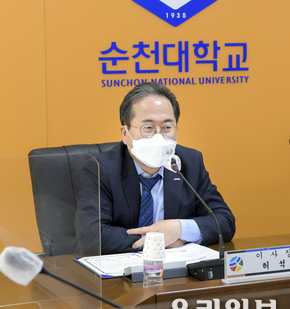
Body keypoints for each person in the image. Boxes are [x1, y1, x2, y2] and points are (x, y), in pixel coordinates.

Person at [75, 82, 236, 255]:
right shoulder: (100, 169)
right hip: (121, 269)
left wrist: (180, 229)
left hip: (177, 268)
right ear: (125, 133)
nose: (158, 136)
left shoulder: (189, 162)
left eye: (167, 128)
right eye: (148, 128)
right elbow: (91, 237)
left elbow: (224, 221)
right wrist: (159, 239)